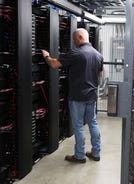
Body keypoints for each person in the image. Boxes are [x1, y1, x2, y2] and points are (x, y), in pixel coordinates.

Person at [41, 28, 103, 163]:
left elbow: (53, 64)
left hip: (77, 96)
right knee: (93, 123)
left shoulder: (76, 53)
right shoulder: (98, 55)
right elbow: (100, 75)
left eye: (74, 39)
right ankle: (96, 153)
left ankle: (80, 156)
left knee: (79, 126)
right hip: (91, 96)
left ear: (80, 37)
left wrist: (46, 55)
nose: (74, 42)